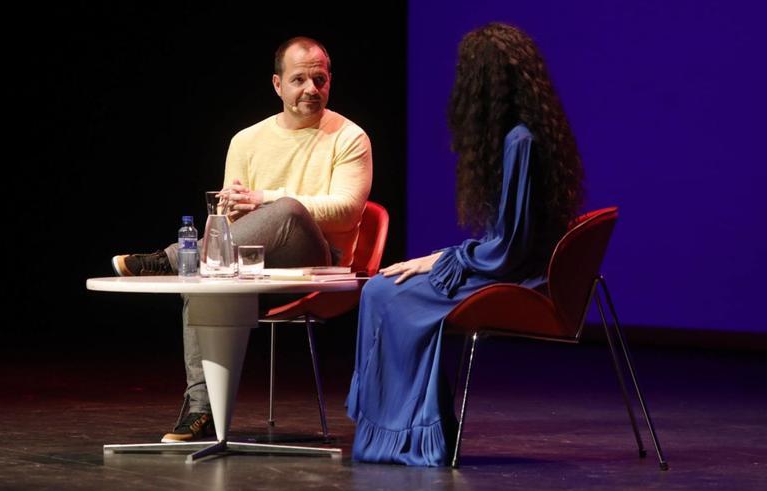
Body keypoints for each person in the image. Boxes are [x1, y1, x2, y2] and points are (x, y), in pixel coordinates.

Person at [346, 22, 584, 467]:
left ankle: (412, 437)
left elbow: (508, 250)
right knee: (383, 287)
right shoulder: (523, 135)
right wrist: (439, 259)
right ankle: (407, 433)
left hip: (513, 278)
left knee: (383, 292)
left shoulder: (521, 142)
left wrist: (441, 259)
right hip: (504, 266)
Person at [112, 36, 373, 442]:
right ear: (277, 84)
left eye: (319, 79)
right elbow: (225, 220)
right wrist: (231, 211)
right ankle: (202, 410)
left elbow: (347, 209)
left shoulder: (349, 137)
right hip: (253, 259)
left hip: (320, 260)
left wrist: (266, 199)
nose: (311, 89)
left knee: (287, 210)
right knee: (203, 274)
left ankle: (170, 257)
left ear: (330, 80)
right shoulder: (246, 140)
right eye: (299, 79)